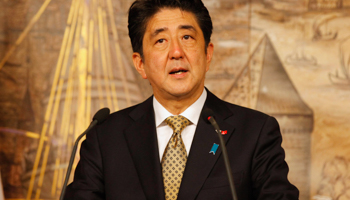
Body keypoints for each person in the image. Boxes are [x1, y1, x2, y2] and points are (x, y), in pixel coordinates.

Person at [64, 0, 299, 199]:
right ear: (140, 63)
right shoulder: (105, 138)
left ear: (207, 54)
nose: (176, 52)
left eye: (187, 37)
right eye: (161, 41)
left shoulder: (255, 132)